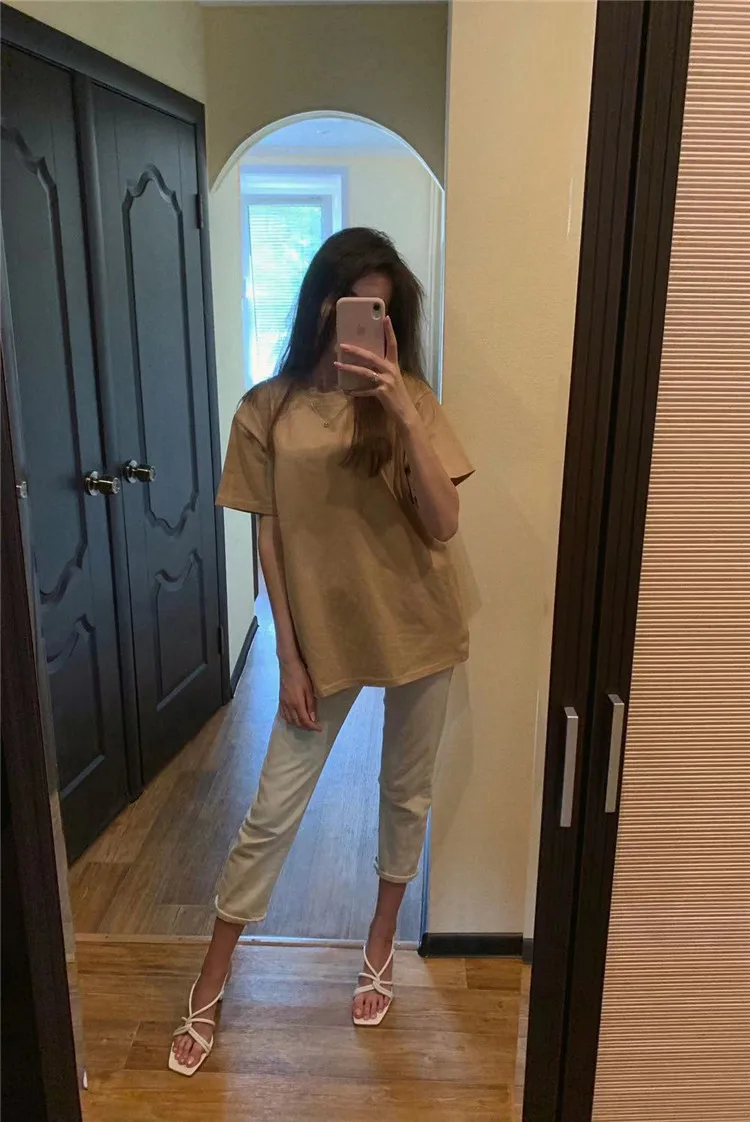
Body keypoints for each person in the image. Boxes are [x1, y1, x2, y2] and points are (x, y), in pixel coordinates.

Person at [169, 227, 474, 1075]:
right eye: (350, 303)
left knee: (405, 795)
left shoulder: (409, 397)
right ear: (319, 304)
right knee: (272, 811)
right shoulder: (265, 410)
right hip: (324, 637)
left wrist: (402, 406)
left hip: (419, 620)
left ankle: (379, 944)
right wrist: (290, 659)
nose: (362, 322)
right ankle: (212, 979)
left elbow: (445, 525)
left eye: (380, 309)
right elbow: (269, 540)